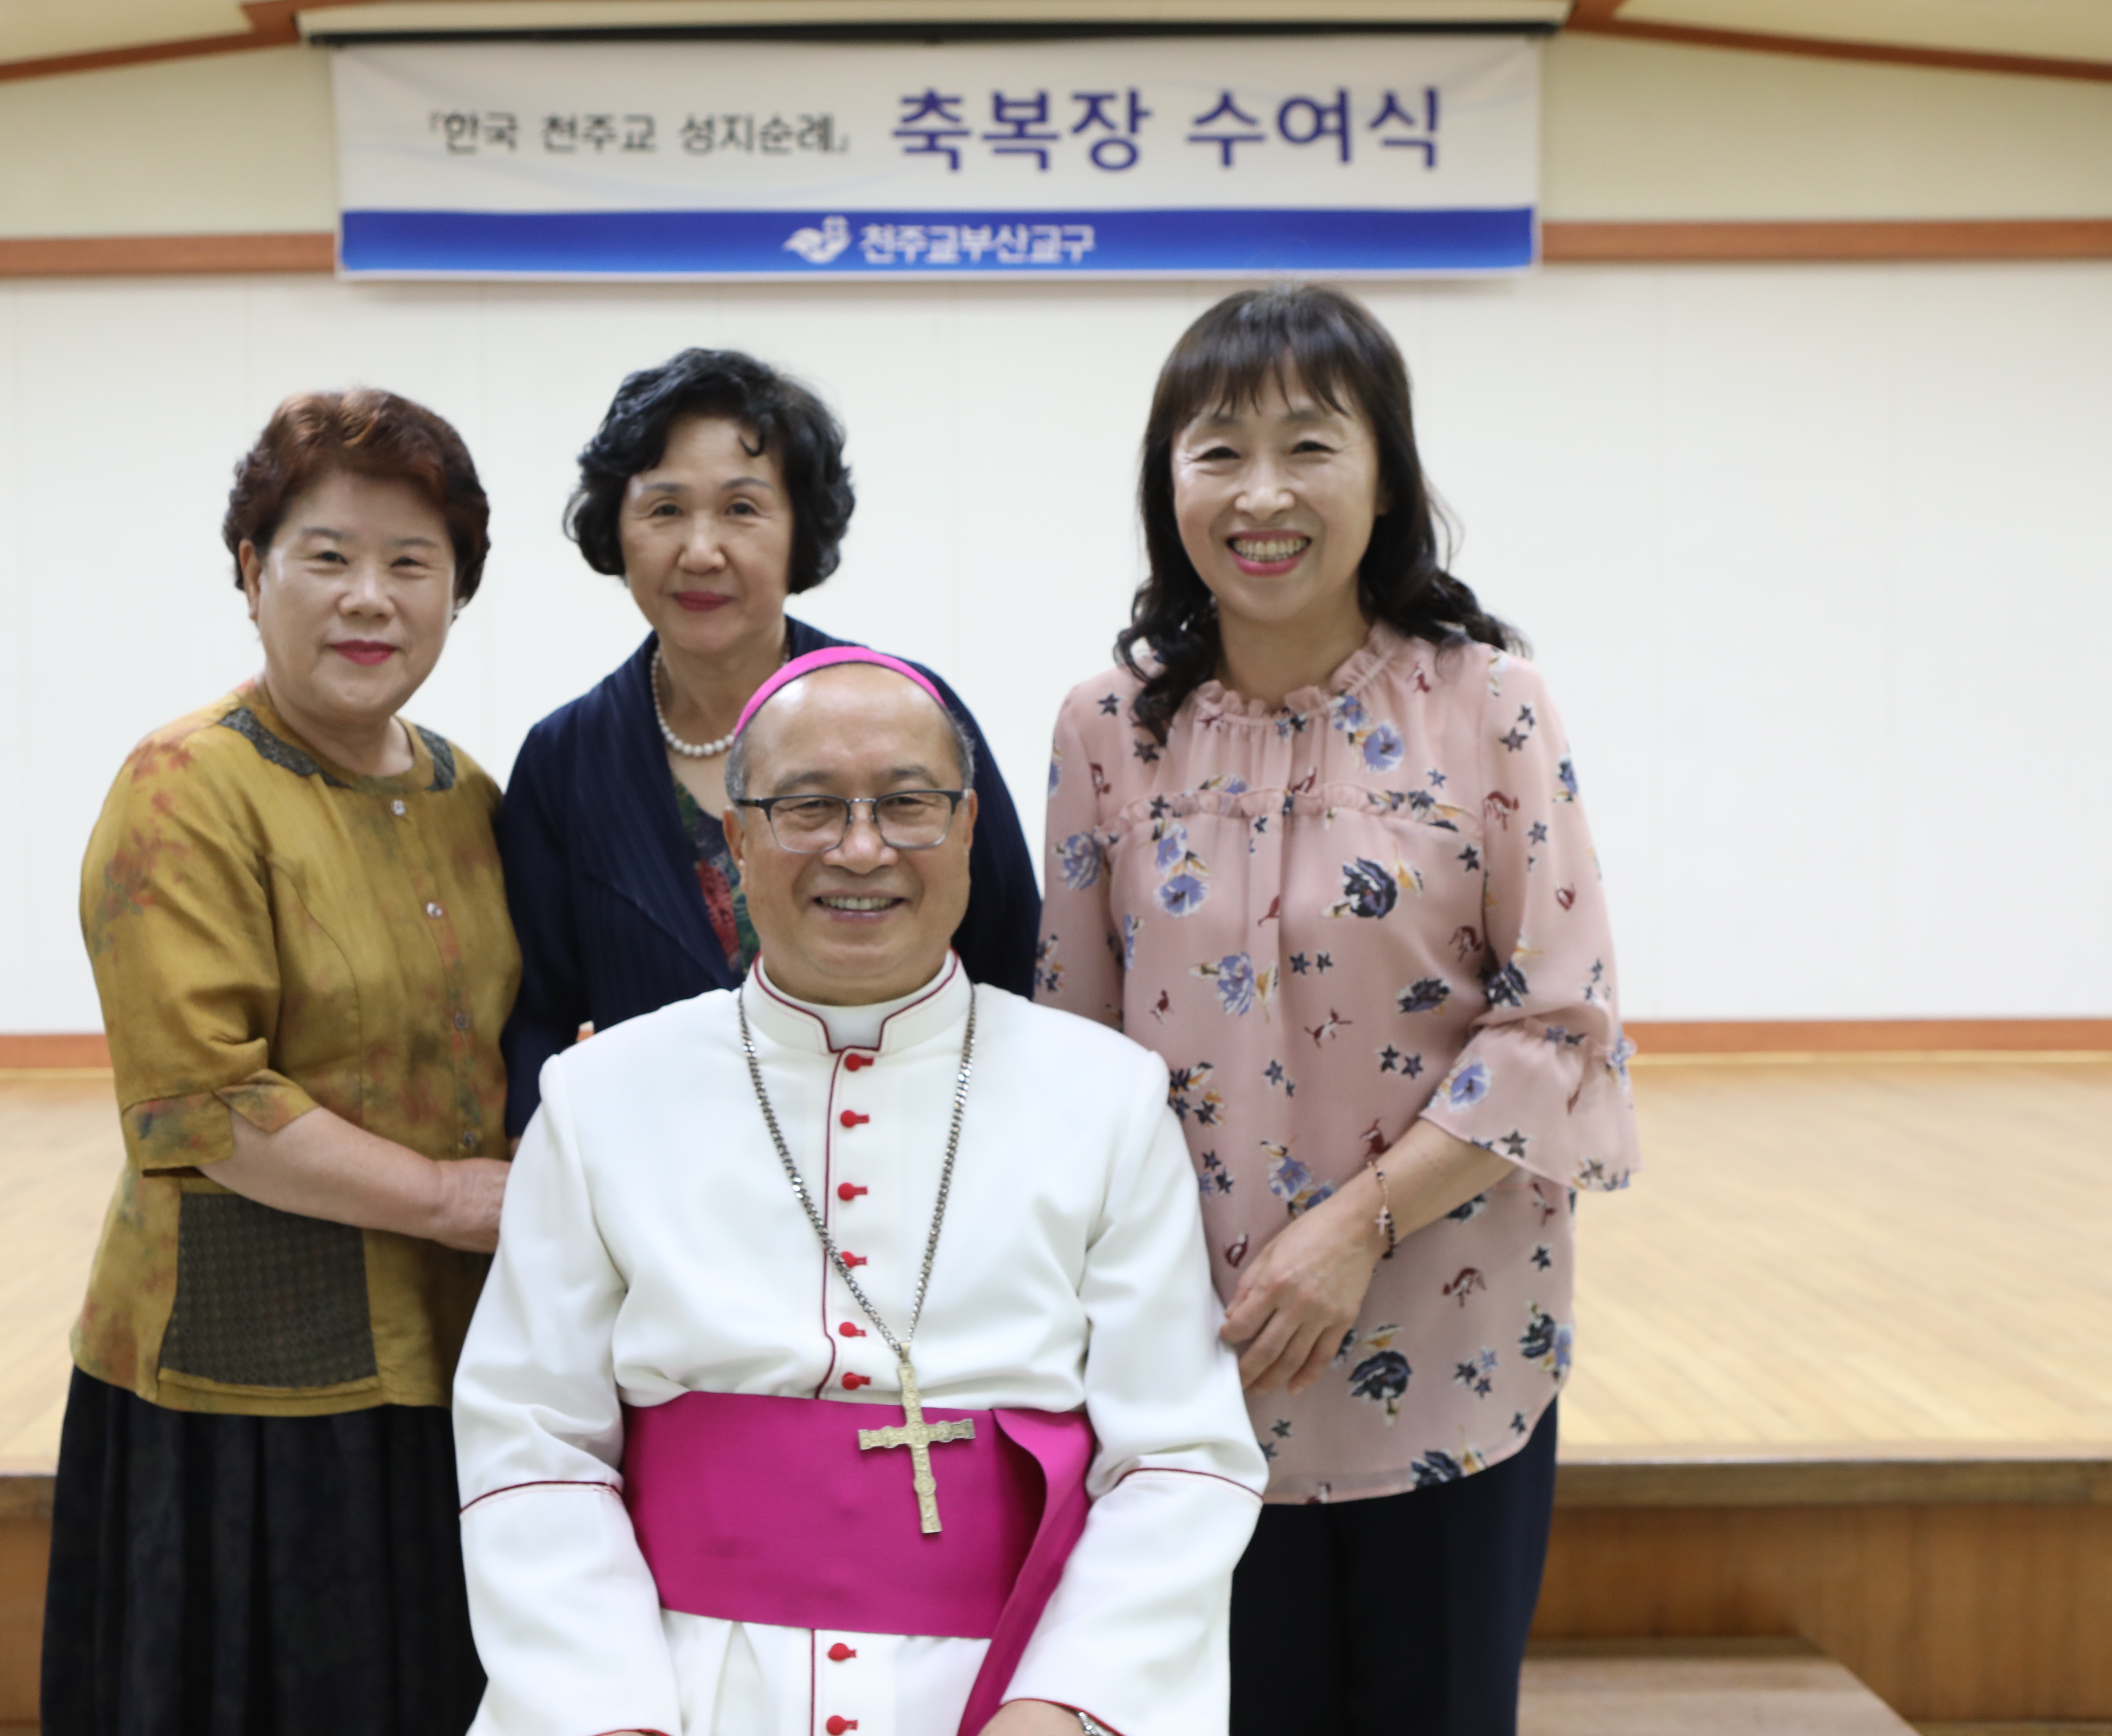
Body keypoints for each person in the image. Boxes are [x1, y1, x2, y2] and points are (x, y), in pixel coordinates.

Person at [454, 649, 1267, 1736]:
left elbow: (1179, 1453)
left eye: (908, 805)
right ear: (739, 838)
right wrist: (607, 1711)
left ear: (970, 828)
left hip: (1012, 1685)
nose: (862, 847)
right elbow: (531, 1438)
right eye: (808, 807)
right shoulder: (599, 1098)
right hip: (683, 1684)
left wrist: (1069, 1704)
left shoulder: (1107, 1099)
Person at [1037, 285, 1643, 1736]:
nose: (1262, 496)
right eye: (1217, 452)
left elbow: (1558, 1024)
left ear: (1386, 479)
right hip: (1197, 1353)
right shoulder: (1108, 729)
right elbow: (1069, 1042)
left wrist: (1353, 1228)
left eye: (1310, 447)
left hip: (1445, 1332)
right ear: (1164, 483)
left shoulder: (1490, 702)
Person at [44, 389, 517, 1735]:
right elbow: (206, 1106)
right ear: (252, 573)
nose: (369, 598)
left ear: (456, 593)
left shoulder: (466, 794)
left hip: (447, 1356)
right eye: (327, 557)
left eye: (411, 564)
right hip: (247, 1385)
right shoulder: (185, 787)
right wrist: (457, 1200)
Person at [496, 347, 1041, 1135]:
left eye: (743, 509)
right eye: (664, 509)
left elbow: (1010, 958)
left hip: (911, 1157)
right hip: (663, 1184)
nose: (701, 550)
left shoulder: (909, 711)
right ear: (617, 529)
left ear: (800, 529)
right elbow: (539, 1018)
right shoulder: (564, 759)